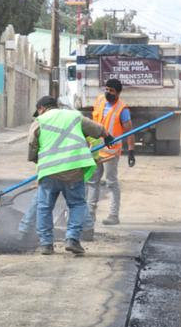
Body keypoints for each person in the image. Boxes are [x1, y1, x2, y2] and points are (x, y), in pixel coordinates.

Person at [29, 96, 111, 255]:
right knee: (77, 204)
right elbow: (97, 129)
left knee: (44, 207)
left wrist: (36, 159)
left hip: (49, 171)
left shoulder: (39, 121)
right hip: (73, 170)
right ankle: (72, 239)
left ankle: (46, 244)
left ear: (41, 108)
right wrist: (107, 136)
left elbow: (32, 145)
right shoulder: (74, 116)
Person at [84, 78, 135, 239]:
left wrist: (131, 151)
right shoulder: (99, 101)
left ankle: (113, 215)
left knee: (111, 182)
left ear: (118, 93)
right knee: (92, 182)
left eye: (111, 91)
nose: (108, 93)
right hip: (95, 149)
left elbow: (129, 130)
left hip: (111, 152)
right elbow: (91, 124)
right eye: (106, 89)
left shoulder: (122, 109)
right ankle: (90, 215)